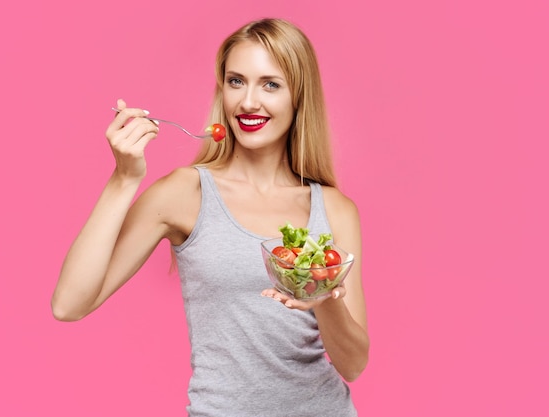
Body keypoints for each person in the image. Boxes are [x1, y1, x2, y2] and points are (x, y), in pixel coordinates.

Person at [52, 18, 369, 417]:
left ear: (298, 97)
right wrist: (123, 179)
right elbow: (69, 304)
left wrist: (323, 301)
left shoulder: (335, 209)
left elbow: (353, 364)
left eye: (270, 84)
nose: (248, 102)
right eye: (236, 81)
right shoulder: (186, 193)